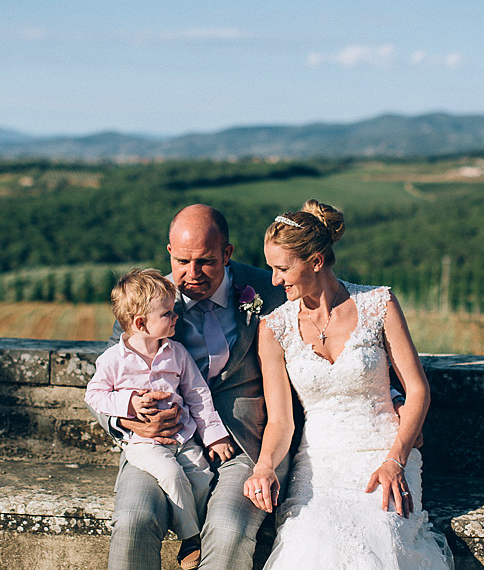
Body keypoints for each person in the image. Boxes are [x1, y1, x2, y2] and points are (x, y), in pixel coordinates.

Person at [243, 200, 455, 569]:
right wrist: (263, 467)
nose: (275, 280)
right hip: (320, 464)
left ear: (316, 261)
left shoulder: (379, 304)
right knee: (308, 542)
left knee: (380, 538)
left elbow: (418, 390)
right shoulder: (273, 328)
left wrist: (395, 459)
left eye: (282, 268)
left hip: (385, 453)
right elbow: (281, 422)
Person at [88, 204, 287, 570]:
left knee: (228, 531)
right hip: (156, 442)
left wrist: (392, 395)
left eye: (205, 262)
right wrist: (127, 418)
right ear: (169, 252)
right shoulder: (143, 303)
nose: (191, 274)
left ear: (227, 254)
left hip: (241, 445)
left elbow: (331, 321)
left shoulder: (268, 290)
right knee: (133, 521)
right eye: (181, 261)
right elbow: (105, 386)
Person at [85, 268, 235, 568]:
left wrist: (214, 435)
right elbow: (94, 395)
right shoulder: (113, 360)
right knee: (171, 474)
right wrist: (129, 403)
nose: (176, 316)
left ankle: (192, 523)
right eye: (168, 313)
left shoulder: (176, 353)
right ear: (141, 323)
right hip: (143, 443)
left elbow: (197, 394)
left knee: (202, 476)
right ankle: (190, 538)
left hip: (182, 436)